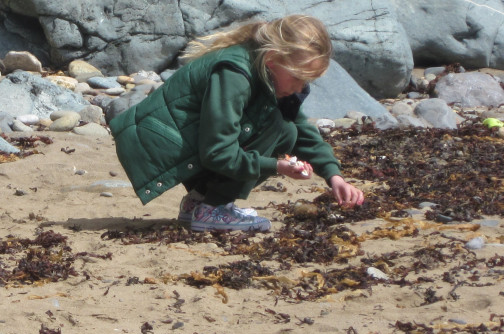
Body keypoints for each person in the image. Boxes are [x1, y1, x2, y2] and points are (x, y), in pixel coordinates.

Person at [110, 14, 365, 233]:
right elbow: (218, 152)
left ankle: (198, 201)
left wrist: (334, 176)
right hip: (158, 147)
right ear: (273, 58)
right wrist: (276, 166)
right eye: (298, 78)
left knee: (287, 127)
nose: (300, 88)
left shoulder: (263, 68)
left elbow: (301, 128)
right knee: (280, 130)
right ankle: (212, 209)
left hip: (176, 142)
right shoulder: (235, 74)